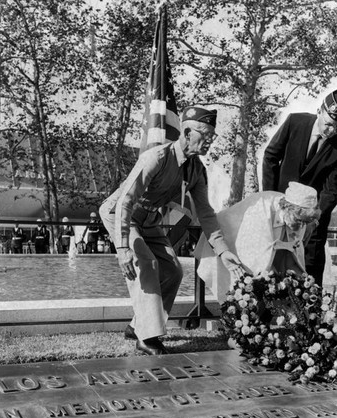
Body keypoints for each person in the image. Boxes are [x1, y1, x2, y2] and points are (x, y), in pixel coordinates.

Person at [99, 106, 244, 355]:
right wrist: (122, 247)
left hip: (148, 220)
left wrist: (222, 251)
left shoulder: (197, 170)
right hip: (120, 215)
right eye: (205, 133)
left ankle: (138, 326)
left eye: (213, 135)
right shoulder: (156, 157)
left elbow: (206, 213)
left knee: (173, 271)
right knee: (146, 263)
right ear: (187, 132)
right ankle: (148, 337)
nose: (210, 139)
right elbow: (125, 201)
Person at [262, 88, 337, 286]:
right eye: (329, 124)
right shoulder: (295, 122)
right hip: (280, 207)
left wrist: (313, 218)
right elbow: (271, 157)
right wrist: (270, 199)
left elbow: (333, 189)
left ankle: (311, 313)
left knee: (310, 266)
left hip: (314, 216)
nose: (331, 131)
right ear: (319, 111)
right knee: (270, 263)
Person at [196, 182, 321, 301]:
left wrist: (302, 285)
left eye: (305, 222)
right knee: (247, 282)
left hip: (266, 239)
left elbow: (294, 258)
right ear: (288, 208)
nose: (301, 226)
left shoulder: (298, 217)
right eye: (299, 221)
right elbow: (257, 252)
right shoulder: (261, 209)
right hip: (229, 236)